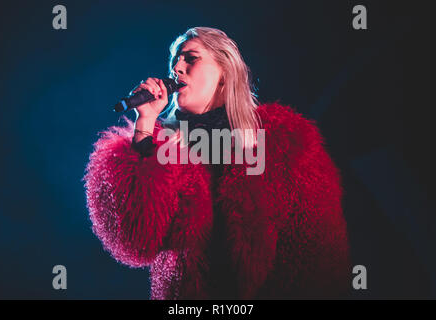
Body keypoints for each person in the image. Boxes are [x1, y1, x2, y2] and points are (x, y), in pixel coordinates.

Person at [83, 27, 350, 299]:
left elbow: (319, 251)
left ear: (224, 74)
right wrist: (146, 122)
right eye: (175, 59)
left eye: (191, 58)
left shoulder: (284, 141)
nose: (177, 67)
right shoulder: (166, 148)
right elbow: (135, 236)